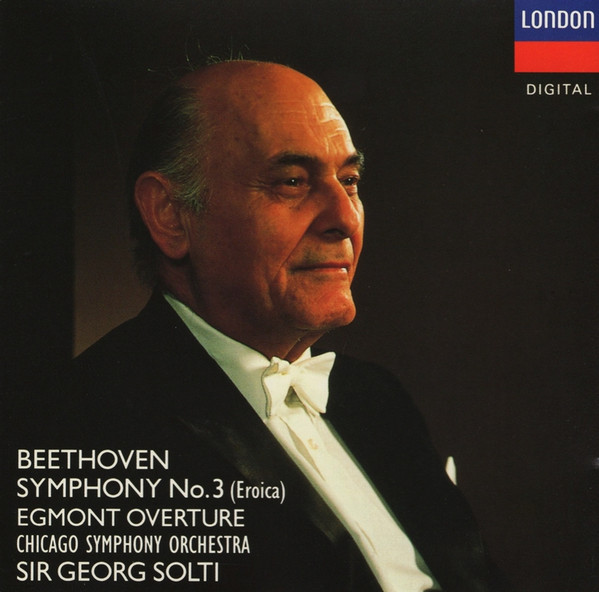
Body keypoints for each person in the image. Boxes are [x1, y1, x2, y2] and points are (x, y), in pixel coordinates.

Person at [4, 61, 510, 591]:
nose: (345, 218)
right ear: (170, 216)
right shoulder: (83, 428)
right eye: (292, 182)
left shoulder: (378, 398)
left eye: (350, 181)